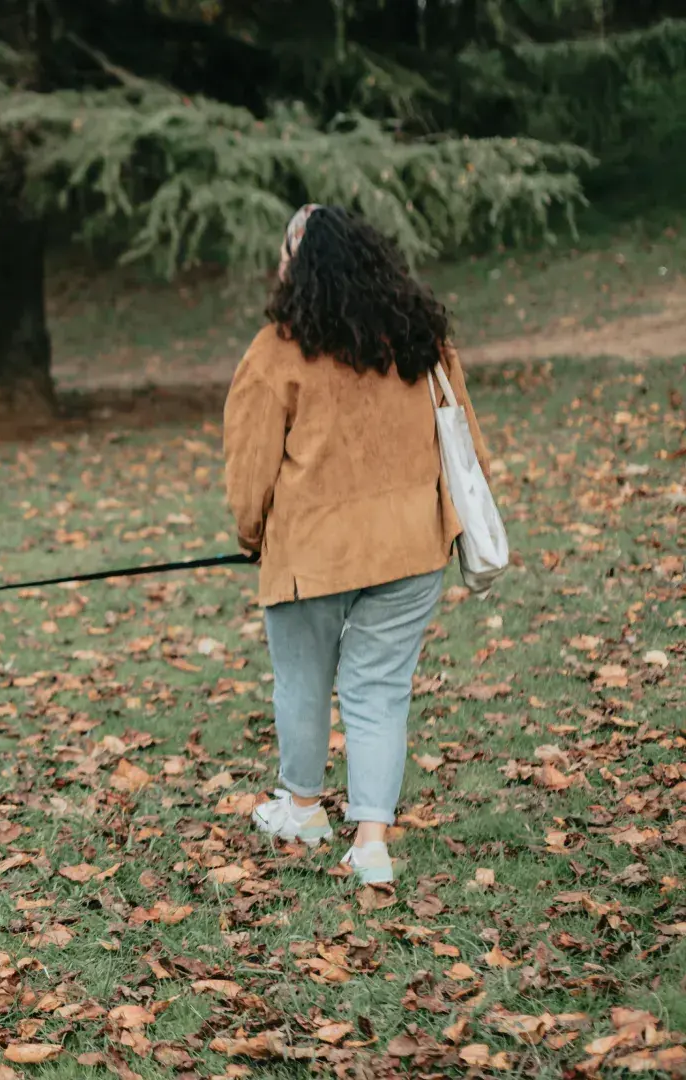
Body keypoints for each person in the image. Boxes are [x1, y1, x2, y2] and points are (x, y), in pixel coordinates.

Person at [222, 204, 492, 885]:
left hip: (312, 550)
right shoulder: (420, 337)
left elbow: (249, 464)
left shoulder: (277, 349)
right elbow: (462, 438)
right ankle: (371, 841)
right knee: (379, 691)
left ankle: (305, 806)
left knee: (304, 681)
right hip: (409, 547)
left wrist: (250, 534)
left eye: (287, 252)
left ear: (299, 265)